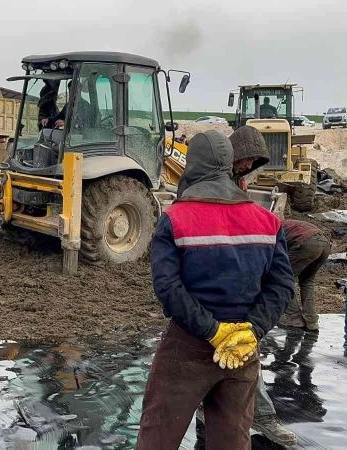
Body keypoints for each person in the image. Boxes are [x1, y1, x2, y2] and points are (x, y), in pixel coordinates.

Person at [136, 130, 294, 449]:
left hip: (188, 348)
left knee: (158, 437)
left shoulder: (175, 219)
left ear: (192, 165)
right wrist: (252, 330)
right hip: (242, 350)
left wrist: (212, 331)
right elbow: (282, 285)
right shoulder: (268, 222)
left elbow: (168, 288)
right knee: (232, 440)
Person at [278, 219, 331, 331]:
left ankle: (294, 318)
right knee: (307, 281)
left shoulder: (271, 229)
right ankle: (311, 321)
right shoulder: (286, 224)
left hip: (306, 243)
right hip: (324, 244)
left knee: (282, 279)